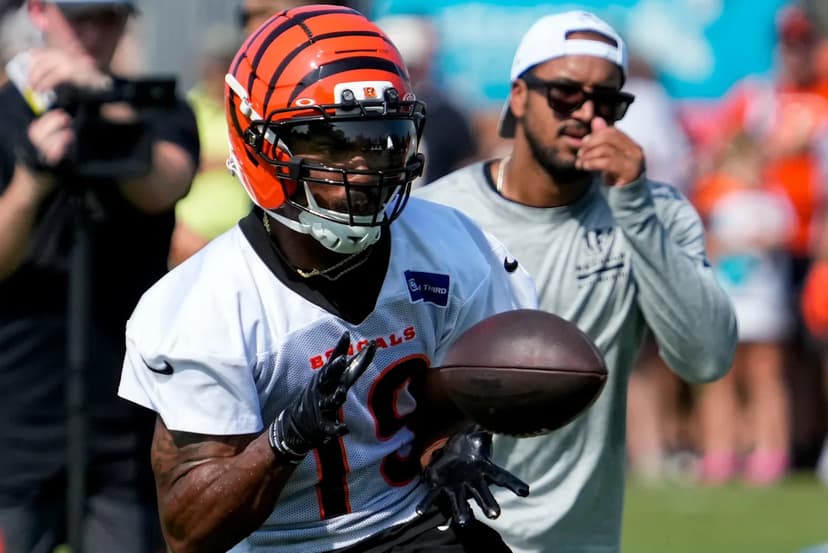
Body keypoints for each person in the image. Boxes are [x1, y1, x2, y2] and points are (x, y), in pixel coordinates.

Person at [117, 5, 536, 553]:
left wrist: (463, 438)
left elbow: (463, 392)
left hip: (408, 523)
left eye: (381, 140)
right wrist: (284, 440)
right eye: (332, 142)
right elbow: (188, 533)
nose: (362, 169)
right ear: (260, 143)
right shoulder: (205, 303)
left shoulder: (453, 247)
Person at [415, 10, 737, 553]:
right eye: (565, 94)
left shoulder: (652, 211)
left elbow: (706, 358)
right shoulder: (435, 216)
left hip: (579, 539)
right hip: (444, 529)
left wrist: (634, 206)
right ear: (519, 96)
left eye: (607, 101)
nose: (587, 114)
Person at [0, 1, 199, 552]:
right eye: (78, 18)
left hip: (126, 417)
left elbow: (165, 185)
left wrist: (103, 101)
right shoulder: (4, 111)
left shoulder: (155, 108)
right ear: (40, 11)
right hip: (18, 415)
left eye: (108, 19)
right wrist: (32, 180)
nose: (92, 34)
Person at [693, 135, 795, 485]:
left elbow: (784, 237)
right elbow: (702, 246)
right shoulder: (715, 199)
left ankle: (771, 452)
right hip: (725, 303)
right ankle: (719, 451)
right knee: (718, 380)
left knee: (767, 379)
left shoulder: (774, 201)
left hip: (764, 303)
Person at [169, 23, 250, 266]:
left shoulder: (247, 111)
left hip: (244, 242)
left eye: (222, 64)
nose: (213, 71)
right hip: (189, 240)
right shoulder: (188, 109)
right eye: (211, 64)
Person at [375, 14, 479, 187]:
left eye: (411, 68)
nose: (405, 77)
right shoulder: (362, 118)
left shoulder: (448, 117)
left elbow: (467, 177)